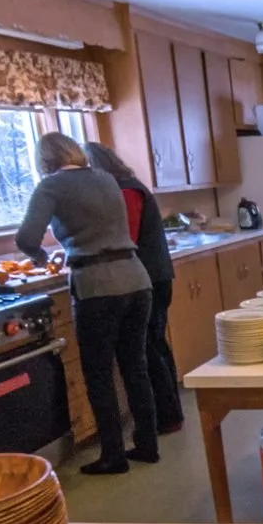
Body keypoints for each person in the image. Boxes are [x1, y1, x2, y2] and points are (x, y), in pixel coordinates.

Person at [15, 132, 156, 474]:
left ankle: (113, 455)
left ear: (45, 161)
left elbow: (26, 237)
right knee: (135, 366)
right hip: (136, 279)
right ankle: (148, 445)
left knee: (99, 373)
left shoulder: (51, 186)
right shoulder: (106, 179)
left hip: (96, 285)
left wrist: (39, 255)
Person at [84, 141, 183, 434]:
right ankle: (170, 413)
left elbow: (126, 235)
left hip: (149, 277)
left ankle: (166, 416)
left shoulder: (126, 190)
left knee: (149, 347)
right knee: (154, 345)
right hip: (151, 275)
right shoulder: (127, 186)